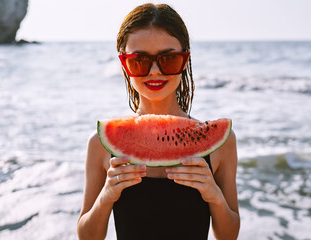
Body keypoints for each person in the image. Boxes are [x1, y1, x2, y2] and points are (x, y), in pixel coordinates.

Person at [77, 3, 240, 240]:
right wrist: (106, 196)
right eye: (139, 60)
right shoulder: (100, 144)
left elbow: (229, 235)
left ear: (185, 60)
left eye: (169, 59)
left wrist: (213, 195)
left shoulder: (222, 143)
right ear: (124, 64)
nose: (154, 71)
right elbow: (87, 236)